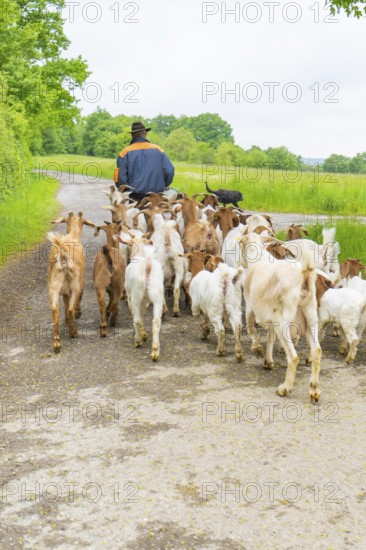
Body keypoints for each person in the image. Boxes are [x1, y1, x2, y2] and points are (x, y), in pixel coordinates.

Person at [114, 121, 175, 202]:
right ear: (145, 134)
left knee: (135, 214)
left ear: (132, 135)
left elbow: (120, 178)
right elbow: (169, 171)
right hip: (156, 198)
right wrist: (166, 184)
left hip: (135, 199)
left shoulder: (125, 152)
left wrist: (125, 191)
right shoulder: (158, 150)